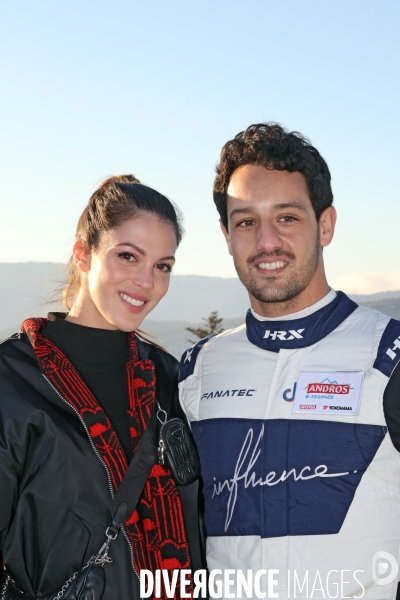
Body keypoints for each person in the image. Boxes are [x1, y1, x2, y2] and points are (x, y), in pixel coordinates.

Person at [179, 123, 400, 599]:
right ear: (226, 234)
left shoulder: (390, 355)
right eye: (245, 221)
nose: (266, 242)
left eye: (287, 218)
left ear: (326, 224)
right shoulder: (197, 370)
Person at [0, 175, 204, 599]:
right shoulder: (12, 381)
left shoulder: (166, 378)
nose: (147, 282)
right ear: (83, 254)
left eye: (162, 266)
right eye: (128, 256)